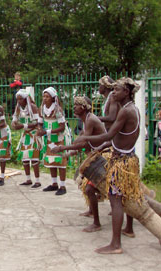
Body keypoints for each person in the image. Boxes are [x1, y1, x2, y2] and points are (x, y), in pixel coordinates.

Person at [75, 77, 143, 254]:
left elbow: (108, 136)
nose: (114, 92)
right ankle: (127, 230)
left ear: (127, 92)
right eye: (113, 90)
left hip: (122, 161)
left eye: (117, 90)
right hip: (128, 158)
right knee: (125, 198)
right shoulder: (131, 109)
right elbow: (113, 138)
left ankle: (115, 244)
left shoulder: (126, 111)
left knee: (116, 201)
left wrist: (85, 138)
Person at [52, 96, 109, 232]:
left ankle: (97, 223)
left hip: (104, 157)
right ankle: (91, 211)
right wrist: (67, 153)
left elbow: (84, 143)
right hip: (96, 157)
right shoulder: (86, 120)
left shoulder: (90, 120)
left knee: (90, 189)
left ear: (83, 107)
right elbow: (79, 143)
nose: (74, 107)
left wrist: (62, 148)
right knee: (85, 185)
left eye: (76, 105)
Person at [37, 87, 67, 195]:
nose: (44, 98)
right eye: (43, 96)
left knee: (60, 162)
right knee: (51, 160)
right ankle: (54, 184)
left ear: (53, 98)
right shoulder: (42, 109)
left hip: (59, 139)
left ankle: (62, 186)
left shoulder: (58, 110)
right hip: (50, 139)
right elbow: (40, 123)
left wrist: (46, 132)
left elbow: (62, 127)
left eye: (47, 96)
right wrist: (40, 129)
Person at [11, 89, 42, 188]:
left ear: (26, 99)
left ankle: (37, 181)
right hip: (25, 136)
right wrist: (13, 124)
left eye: (21, 99)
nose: (19, 101)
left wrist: (23, 126)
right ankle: (28, 179)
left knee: (34, 158)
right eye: (18, 99)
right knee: (25, 159)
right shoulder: (18, 108)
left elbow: (37, 123)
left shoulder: (32, 107)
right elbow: (14, 119)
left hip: (33, 135)